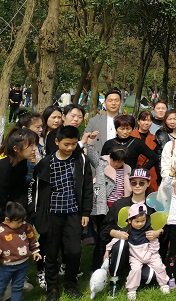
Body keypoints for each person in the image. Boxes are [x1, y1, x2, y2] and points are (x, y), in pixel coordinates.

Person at [29, 125, 93, 301]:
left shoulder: (81, 160)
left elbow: (88, 187)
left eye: (73, 144)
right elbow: (35, 191)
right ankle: (52, 288)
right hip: (51, 214)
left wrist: (86, 212)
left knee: (74, 251)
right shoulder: (45, 163)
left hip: (73, 212)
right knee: (51, 252)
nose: (70, 148)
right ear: (57, 142)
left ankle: (71, 284)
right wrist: (36, 215)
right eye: (66, 144)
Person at [100, 168, 161, 298]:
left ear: (148, 183)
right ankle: (114, 280)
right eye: (134, 182)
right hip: (121, 252)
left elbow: (164, 228)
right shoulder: (119, 204)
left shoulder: (153, 207)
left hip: (142, 256)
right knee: (122, 243)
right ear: (130, 183)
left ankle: (128, 276)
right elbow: (104, 228)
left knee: (150, 277)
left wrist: (158, 232)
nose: (137, 186)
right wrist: (116, 233)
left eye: (141, 183)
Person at [105, 203, 170, 300]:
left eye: (143, 221)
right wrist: (107, 250)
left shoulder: (149, 230)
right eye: (137, 221)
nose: (140, 224)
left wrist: (149, 254)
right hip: (135, 257)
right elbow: (115, 240)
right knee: (135, 270)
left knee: (159, 266)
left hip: (151, 254)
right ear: (130, 221)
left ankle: (164, 284)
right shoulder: (127, 231)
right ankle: (132, 290)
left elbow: (155, 244)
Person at [84, 140, 131, 271]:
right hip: (103, 208)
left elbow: (126, 188)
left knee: (115, 237)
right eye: (114, 160)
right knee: (102, 237)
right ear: (110, 156)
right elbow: (91, 154)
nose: (116, 164)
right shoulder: (102, 164)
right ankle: (97, 267)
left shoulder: (127, 169)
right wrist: (90, 142)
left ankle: (113, 265)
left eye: (120, 162)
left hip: (119, 208)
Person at [0, 202, 41, 301]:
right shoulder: (1, 230)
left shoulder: (26, 226)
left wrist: (35, 251)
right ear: (7, 220)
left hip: (22, 264)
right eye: (18, 222)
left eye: (23, 221)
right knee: (1, 286)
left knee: (17, 287)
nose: (21, 224)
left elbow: (32, 239)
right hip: (6, 266)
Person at [0, 129, 38, 212]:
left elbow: (18, 191)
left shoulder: (22, 162)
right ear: (16, 148)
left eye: (35, 144)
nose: (35, 148)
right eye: (31, 145)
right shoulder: (4, 167)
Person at [85, 88, 122, 155]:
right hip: (98, 158)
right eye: (110, 100)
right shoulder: (94, 121)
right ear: (105, 102)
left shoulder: (126, 121)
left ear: (120, 102)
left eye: (116, 100)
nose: (113, 103)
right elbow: (85, 141)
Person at [132, 111, 158, 192]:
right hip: (133, 171)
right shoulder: (130, 136)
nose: (147, 123)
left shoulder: (155, 138)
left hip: (149, 172)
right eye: (144, 120)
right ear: (138, 121)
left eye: (149, 120)